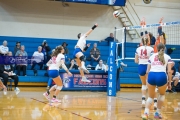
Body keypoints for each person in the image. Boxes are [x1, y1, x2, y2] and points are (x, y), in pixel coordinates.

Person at [142, 43, 172, 119]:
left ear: (156, 48)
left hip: (151, 75)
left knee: (150, 96)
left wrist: (147, 80)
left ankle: (146, 113)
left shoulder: (151, 57)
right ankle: (157, 113)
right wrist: (169, 83)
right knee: (162, 95)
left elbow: (147, 72)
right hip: (161, 76)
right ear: (164, 49)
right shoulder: (167, 57)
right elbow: (169, 71)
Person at [135, 37, 154, 108]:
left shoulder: (138, 49)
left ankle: (143, 100)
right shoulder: (151, 49)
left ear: (141, 42)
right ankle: (152, 101)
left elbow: (136, 61)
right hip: (148, 67)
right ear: (148, 41)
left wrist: (141, 60)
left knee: (143, 84)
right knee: (151, 85)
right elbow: (152, 60)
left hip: (141, 67)